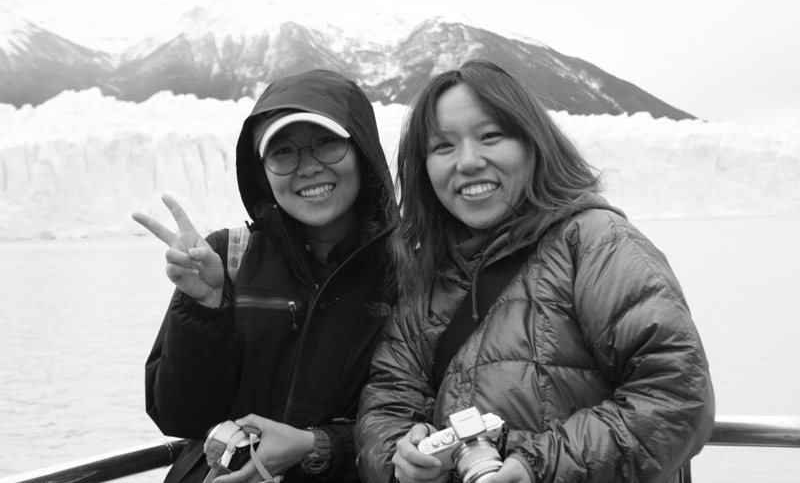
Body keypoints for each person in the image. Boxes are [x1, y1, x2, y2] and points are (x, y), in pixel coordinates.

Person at [355, 60, 714, 483]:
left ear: (532, 143)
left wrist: (537, 468)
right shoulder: (427, 275)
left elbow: (676, 395)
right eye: (443, 147)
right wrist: (401, 456)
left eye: (490, 136)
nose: (468, 161)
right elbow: (388, 402)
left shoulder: (597, 244)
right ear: (424, 167)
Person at [133, 69, 397, 483]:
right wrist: (205, 309)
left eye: (326, 142)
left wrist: (320, 446)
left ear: (361, 150)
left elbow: (418, 419)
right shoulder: (225, 257)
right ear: (262, 171)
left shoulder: (408, 270)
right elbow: (180, 416)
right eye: (283, 151)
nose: (307, 167)